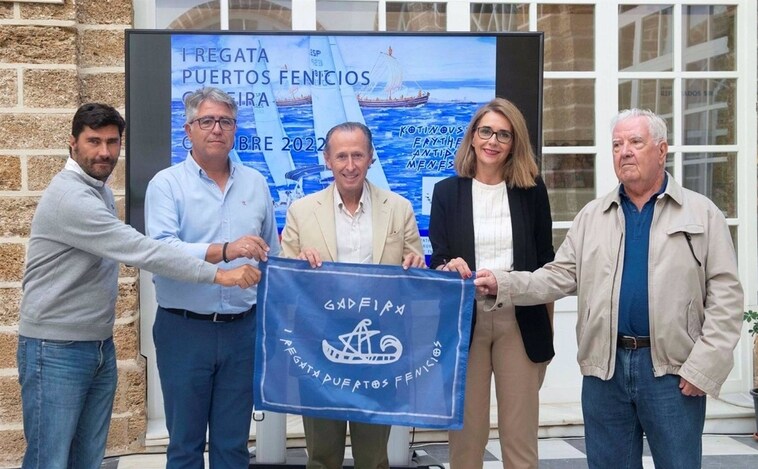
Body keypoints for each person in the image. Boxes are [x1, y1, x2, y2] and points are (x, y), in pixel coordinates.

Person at [474, 109, 744, 469]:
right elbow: (557, 276)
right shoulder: (593, 216)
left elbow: (727, 296)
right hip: (606, 370)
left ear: (661, 151)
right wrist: (502, 283)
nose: (625, 151)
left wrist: (704, 368)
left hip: (673, 373)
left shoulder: (701, 214)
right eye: (617, 144)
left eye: (635, 142)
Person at [17, 103, 259, 469]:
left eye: (112, 142)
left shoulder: (98, 190)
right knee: (48, 460)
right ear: (72, 144)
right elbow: (142, 249)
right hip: (56, 348)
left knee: (86, 458)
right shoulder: (72, 197)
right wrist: (220, 271)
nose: (104, 152)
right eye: (94, 141)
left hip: (95, 343)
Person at [145, 87, 280, 469]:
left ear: (235, 129)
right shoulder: (166, 185)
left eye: (225, 121)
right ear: (188, 129)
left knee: (233, 448)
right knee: (185, 447)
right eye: (207, 121)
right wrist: (225, 250)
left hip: (243, 333)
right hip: (184, 331)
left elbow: (272, 254)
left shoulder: (255, 184)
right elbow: (162, 252)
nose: (216, 129)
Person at [280, 121, 425, 469]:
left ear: (371, 158)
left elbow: (415, 275)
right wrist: (298, 267)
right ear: (327, 159)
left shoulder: (399, 208)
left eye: (357, 155)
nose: (350, 164)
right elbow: (285, 280)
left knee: (374, 458)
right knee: (321, 456)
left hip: (380, 349)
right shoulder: (301, 211)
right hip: (319, 350)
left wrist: (415, 265)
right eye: (341, 156)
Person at [428, 98, 554, 469]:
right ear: (473, 136)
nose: (493, 141)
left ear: (514, 143)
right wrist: (449, 266)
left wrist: (549, 331)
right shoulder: (447, 192)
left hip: (520, 319)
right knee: (466, 442)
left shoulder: (532, 192)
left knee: (520, 441)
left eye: (504, 134)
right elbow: (437, 260)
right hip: (465, 321)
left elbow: (546, 265)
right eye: (486, 131)